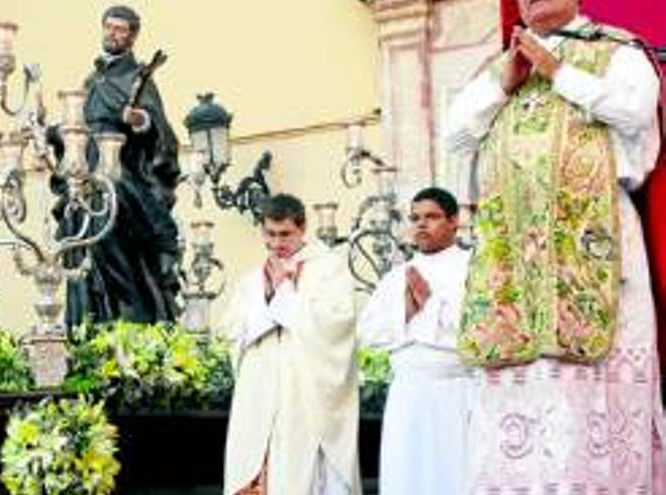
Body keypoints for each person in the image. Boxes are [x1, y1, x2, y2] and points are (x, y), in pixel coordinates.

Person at [446, 0, 666, 491]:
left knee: (589, 405)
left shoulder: (617, 49)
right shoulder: (500, 65)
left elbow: (634, 113)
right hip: (513, 259)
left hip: (596, 246)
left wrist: (559, 72)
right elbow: (456, 134)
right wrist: (505, 83)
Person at [215, 193, 361, 495]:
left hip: (306, 394)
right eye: (270, 234)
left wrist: (284, 293)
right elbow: (231, 330)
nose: (277, 243)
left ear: (302, 228)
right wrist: (270, 297)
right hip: (260, 393)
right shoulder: (253, 278)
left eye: (285, 234)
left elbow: (338, 324)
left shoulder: (329, 268)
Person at [50, 4, 181, 325]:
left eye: (120, 29)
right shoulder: (92, 80)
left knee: (109, 227)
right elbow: (78, 127)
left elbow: (162, 132)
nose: (113, 33)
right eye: (109, 27)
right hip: (83, 173)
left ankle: (125, 316)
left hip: (120, 174)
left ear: (133, 36)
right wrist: (52, 132)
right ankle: (87, 322)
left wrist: (140, 120)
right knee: (76, 236)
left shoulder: (139, 79)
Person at [357, 187, 474, 495]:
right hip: (407, 394)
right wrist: (407, 311)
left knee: (455, 477)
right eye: (415, 218)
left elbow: (478, 328)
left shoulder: (474, 267)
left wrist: (430, 303)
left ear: (454, 220)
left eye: (432, 217)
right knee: (406, 478)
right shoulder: (397, 276)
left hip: (456, 393)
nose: (421, 224)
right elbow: (368, 334)